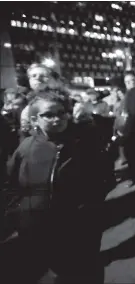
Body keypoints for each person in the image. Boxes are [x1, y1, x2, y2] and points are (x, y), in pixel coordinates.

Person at [0, 87, 114, 284]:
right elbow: (11, 186)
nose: (56, 119)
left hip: (80, 226)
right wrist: (18, 214)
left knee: (86, 268)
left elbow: (106, 177)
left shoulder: (84, 143)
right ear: (35, 119)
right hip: (39, 226)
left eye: (61, 113)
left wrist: (90, 208)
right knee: (58, 270)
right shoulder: (26, 148)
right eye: (48, 115)